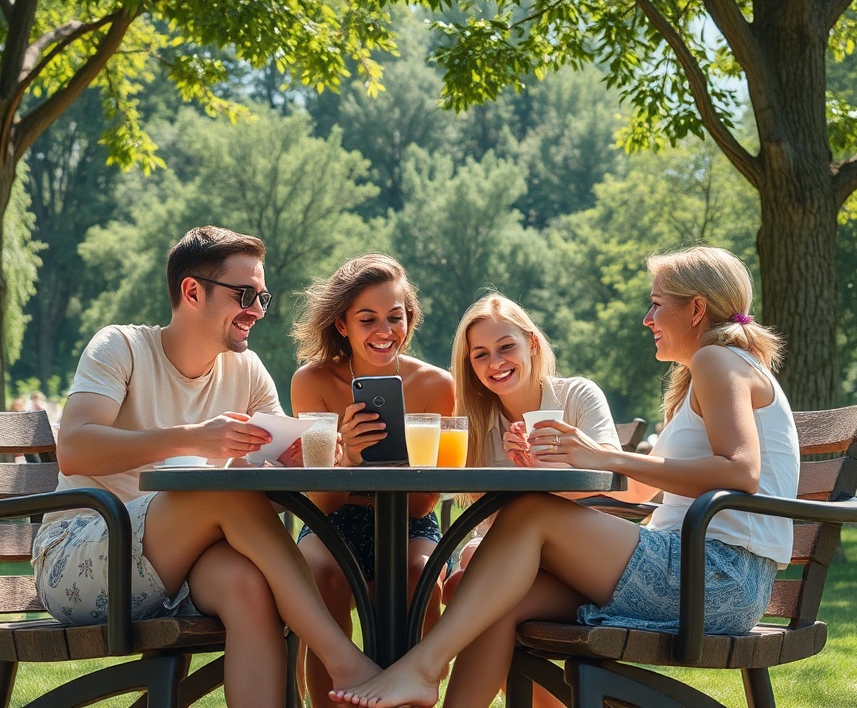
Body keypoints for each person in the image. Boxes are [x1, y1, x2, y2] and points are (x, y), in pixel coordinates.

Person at [329, 245, 800, 708]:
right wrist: (585, 466)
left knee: (530, 511)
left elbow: (741, 472)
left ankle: (422, 668)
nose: (647, 318)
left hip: (716, 580)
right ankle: (429, 678)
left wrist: (604, 457)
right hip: (694, 570)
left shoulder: (717, 360)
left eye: (656, 304)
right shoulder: (715, 368)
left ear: (696, 309)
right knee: (498, 604)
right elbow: (640, 490)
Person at [31, 226, 379, 707]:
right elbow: (74, 448)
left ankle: (339, 663)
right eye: (245, 294)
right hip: (83, 557)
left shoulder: (248, 370)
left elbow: (301, 492)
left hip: (186, 567)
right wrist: (196, 437)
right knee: (220, 490)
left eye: (262, 297)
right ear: (192, 291)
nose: (257, 310)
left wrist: (322, 461)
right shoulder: (121, 347)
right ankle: (344, 660)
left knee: (250, 586)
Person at [438, 294, 621, 707]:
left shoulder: (576, 396)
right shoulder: (476, 424)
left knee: (475, 591)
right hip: (516, 566)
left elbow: (612, 479)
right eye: (480, 354)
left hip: (591, 566)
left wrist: (540, 472)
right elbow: (490, 518)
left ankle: (426, 671)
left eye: (506, 347)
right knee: (468, 583)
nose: (495, 363)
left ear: (532, 344)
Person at [290, 253, 454, 708]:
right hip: (334, 519)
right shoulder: (313, 382)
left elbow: (422, 506)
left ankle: (407, 696)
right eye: (368, 319)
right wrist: (349, 459)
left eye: (395, 317)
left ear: (409, 319)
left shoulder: (437, 386)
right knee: (322, 576)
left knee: (420, 576)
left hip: (407, 519)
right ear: (342, 325)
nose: (385, 331)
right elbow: (318, 504)